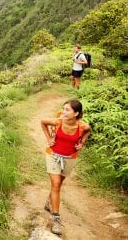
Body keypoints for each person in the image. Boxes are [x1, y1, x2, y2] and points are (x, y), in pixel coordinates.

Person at [40, 99, 91, 236]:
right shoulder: (57, 121)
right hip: (53, 155)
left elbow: (88, 130)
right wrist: (48, 139)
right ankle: (56, 219)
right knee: (56, 184)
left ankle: (50, 201)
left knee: (59, 184)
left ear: (76, 113)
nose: (63, 112)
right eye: (63, 109)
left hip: (70, 158)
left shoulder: (82, 126)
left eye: (67, 110)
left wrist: (82, 143)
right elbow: (43, 122)